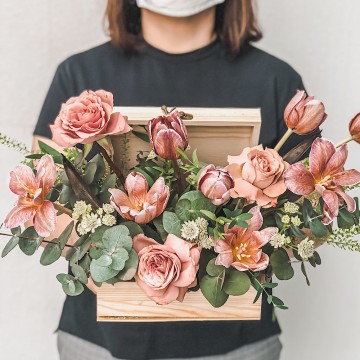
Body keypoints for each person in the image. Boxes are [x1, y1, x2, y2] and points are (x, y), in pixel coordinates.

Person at [33, 1, 307, 359]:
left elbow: (308, 217)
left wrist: (247, 255)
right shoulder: (79, 76)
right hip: (99, 344)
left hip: (238, 345)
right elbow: (42, 203)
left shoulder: (277, 80)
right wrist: (113, 265)